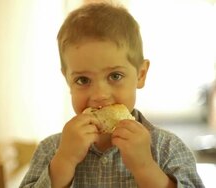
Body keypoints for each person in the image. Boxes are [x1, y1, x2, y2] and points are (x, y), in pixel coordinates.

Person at [20, 2, 204, 188]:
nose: (99, 95)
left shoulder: (168, 148)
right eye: (83, 80)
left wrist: (145, 168)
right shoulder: (50, 150)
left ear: (141, 75)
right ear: (67, 80)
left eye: (115, 76)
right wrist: (64, 162)